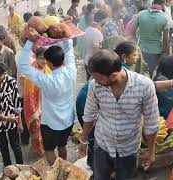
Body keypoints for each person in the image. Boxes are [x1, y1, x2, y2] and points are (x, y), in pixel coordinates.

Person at [79, 50, 159, 180]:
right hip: (102, 145)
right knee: (100, 177)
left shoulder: (144, 86)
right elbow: (90, 114)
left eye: (99, 79)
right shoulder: (95, 86)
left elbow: (152, 122)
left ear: (113, 76)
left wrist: (151, 152)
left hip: (129, 149)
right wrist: (83, 139)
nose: (96, 82)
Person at [19, 27, 76, 165]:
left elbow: (23, 65)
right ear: (62, 59)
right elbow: (69, 48)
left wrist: (29, 42)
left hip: (50, 123)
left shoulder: (46, 80)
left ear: (48, 63)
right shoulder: (72, 70)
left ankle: (55, 172)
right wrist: (61, 33)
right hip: (68, 120)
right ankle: (64, 169)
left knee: (49, 150)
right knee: (62, 146)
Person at [23, 47, 51, 156]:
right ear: (36, 57)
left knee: (45, 130)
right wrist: (35, 111)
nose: (43, 61)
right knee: (36, 130)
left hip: (46, 104)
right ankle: (38, 152)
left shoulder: (48, 68)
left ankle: (44, 149)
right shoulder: (32, 72)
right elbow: (29, 95)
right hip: (34, 106)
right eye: (41, 58)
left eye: (46, 59)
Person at [134, 0, 170, 78]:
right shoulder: (165, 18)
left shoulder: (141, 14)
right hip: (155, 51)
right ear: (163, 5)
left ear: (152, 3)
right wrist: (166, 52)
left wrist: (134, 46)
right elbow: (165, 38)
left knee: (138, 72)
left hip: (140, 49)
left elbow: (132, 31)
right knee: (148, 74)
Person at [83, 10, 108, 80]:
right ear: (103, 20)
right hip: (94, 64)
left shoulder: (87, 29)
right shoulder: (97, 33)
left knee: (88, 84)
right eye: (106, 20)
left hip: (87, 60)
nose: (106, 22)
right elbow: (96, 52)